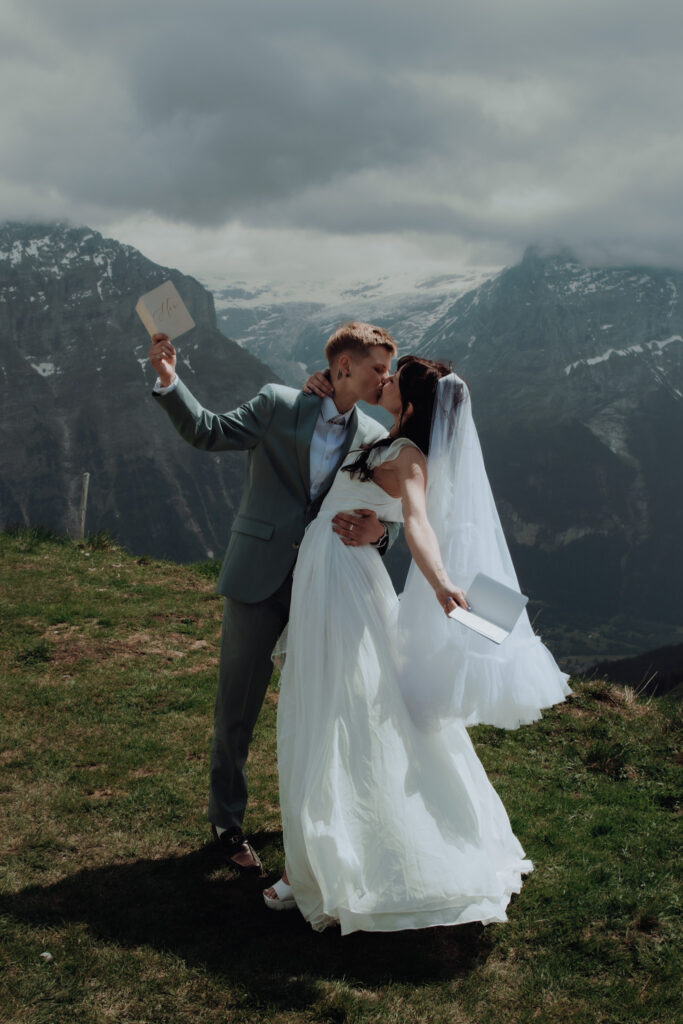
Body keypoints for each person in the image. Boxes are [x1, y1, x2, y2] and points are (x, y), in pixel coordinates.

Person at [263, 356, 570, 932]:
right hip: (334, 575)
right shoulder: (390, 439)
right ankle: (320, 852)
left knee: (339, 708)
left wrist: (440, 582)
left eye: (394, 374)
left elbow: (422, 520)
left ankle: (329, 864)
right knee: (339, 703)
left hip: (344, 586)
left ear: (410, 399)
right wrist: (318, 387)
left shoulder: (407, 456)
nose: (384, 377)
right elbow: (393, 509)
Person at [148, 322, 401, 873]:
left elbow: (391, 516)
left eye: (388, 368)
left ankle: (317, 819)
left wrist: (380, 537)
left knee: (322, 706)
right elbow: (208, 431)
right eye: (378, 367)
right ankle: (227, 823)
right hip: (257, 575)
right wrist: (170, 380)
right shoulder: (278, 403)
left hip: (324, 586)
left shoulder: (374, 438)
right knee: (236, 707)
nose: (387, 377)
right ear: (343, 369)